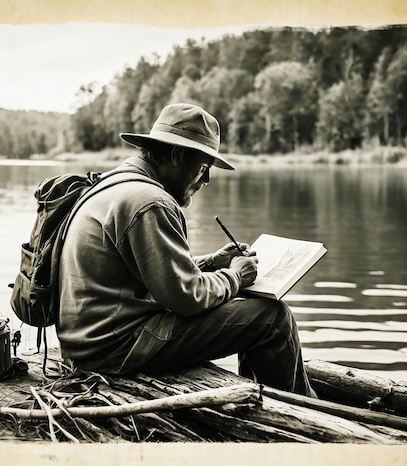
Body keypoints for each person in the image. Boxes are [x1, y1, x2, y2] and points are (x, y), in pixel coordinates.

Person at [57, 103, 315, 397]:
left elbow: (147, 270)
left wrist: (212, 263)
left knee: (250, 309)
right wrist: (235, 278)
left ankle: (267, 395)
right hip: (114, 349)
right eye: (204, 168)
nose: (205, 180)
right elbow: (186, 297)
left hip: (88, 342)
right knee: (272, 318)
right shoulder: (150, 201)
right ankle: (301, 409)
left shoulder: (116, 184)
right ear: (178, 156)